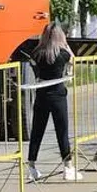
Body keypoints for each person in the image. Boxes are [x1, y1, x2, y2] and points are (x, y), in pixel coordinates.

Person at [27, 23, 78, 182]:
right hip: (58, 95)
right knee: (62, 131)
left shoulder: (37, 54)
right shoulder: (62, 54)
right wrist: (66, 44)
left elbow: (33, 65)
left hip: (41, 95)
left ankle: (32, 166)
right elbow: (72, 59)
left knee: (37, 131)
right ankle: (68, 167)